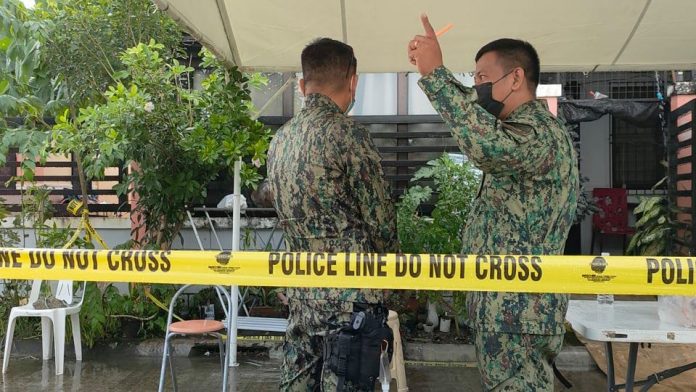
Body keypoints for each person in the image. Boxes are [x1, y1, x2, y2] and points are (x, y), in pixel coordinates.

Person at [408, 15, 579, 391]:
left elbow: (484, 144)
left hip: (518, 312)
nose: (477, 89)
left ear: (516, 78)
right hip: (510, 311)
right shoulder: (520, 130)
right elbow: (472, 110)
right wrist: (434, 71)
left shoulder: (537, 134)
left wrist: (436, 73)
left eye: (483, 78)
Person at [267, 37, 397, 391]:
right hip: (350, 300)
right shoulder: (349, 135)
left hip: (302, 294)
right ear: (353, 81)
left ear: (302, 85)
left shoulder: (279, 140)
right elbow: (381, 221)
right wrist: (392, 271)